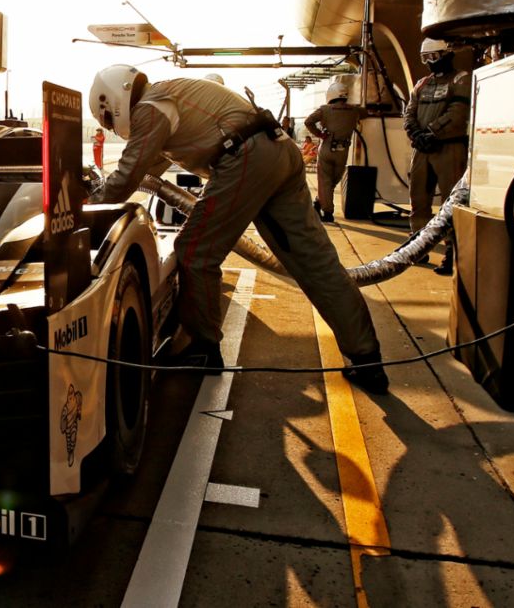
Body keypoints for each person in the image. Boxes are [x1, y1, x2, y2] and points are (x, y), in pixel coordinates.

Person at [87, 65, 387, 392]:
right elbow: (147, 167)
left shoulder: (148, 108)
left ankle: (203, 349)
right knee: (313, 260)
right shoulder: (166, 97)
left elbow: (128, 173)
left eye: (107, 120)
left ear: (113, 99)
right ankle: (366, 358)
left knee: (195, 249)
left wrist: (86, 208)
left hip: (245, 155)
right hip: (277, 149)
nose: (112, 128)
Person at [403, 39, 471, 276]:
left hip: (449, 148)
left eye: (433, 57)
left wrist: (433, 132)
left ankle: (451, 254)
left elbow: (458, 112)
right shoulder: (421, 84)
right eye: (425, 58)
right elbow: (409, 112)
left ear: (447, 54)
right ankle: (417, 249)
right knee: (418, 200)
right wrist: (415, 133)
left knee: (451, 204)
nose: (429, 63)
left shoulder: (461, 79)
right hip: (421, 149)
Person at [303, 77, 363, 223]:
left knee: (325, 181)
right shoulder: (355, 110)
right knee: (333, 180)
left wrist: (320, 134)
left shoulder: (325, 110)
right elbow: (369, 113)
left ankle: (326, 210)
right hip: (343, 152)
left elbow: (308, 121)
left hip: (327, 149)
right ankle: (321, 203)